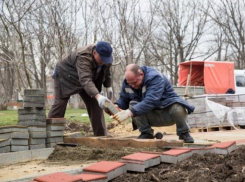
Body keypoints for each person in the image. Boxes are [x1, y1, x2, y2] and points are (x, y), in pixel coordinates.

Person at [113, 64, 195, 143]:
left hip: (167, 112)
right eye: (130, 83)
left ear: (141, 74)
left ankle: (184, 133)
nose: (132, 86)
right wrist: (115, 106)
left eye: (134, 82)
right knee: (133, 104)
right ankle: (146, 133)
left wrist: (129, 113)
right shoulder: (128, 82)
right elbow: (124, 99)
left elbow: (151, 100)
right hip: (150, 115)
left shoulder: (155, 77)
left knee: (178, 108)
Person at [48, 41, 113, 136]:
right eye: (101, 59)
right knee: (59, 105)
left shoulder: (106, 56)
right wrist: (98, 96)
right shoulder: (83, 56)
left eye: (106, 60)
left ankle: (101, 137)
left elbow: (107, 72)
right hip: (65, 76)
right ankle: (51, 135)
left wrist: (109, 87)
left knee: (96, 105)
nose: (103, 62)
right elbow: (85, 80)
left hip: (86, 79)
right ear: (94, 53)